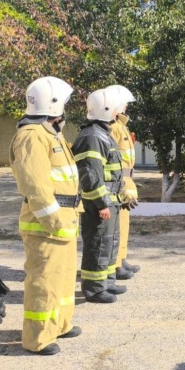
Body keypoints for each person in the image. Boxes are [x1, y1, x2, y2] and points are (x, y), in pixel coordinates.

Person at [9, 76, 81, 356]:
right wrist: (54, 221)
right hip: (46, 225)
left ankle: (59, 324)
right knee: (43, 281)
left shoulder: (50, 132)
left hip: (64, 219)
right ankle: (37, 338)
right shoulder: (31, 136)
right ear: (53, 104)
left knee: (62, 280)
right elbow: (35, 186)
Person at [73, 87, 126, 304]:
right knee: (97, 244)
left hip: (111, 201)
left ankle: (106, 282)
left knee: (109, 242)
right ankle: (94, 289)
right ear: (105, 110)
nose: (118, 113)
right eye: (115, 109)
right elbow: (90, 174)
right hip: (100, 204)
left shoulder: (101, 133)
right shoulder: (92, 136)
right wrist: (101, 203)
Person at [106, 85, 140, 280]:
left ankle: (122, 258)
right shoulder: (113, 128)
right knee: (118, 224)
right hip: (119, 181)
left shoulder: (122, 126)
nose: (127, 106)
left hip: (126, 179)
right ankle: (116, 263)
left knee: (124, 224)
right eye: (124, 103)